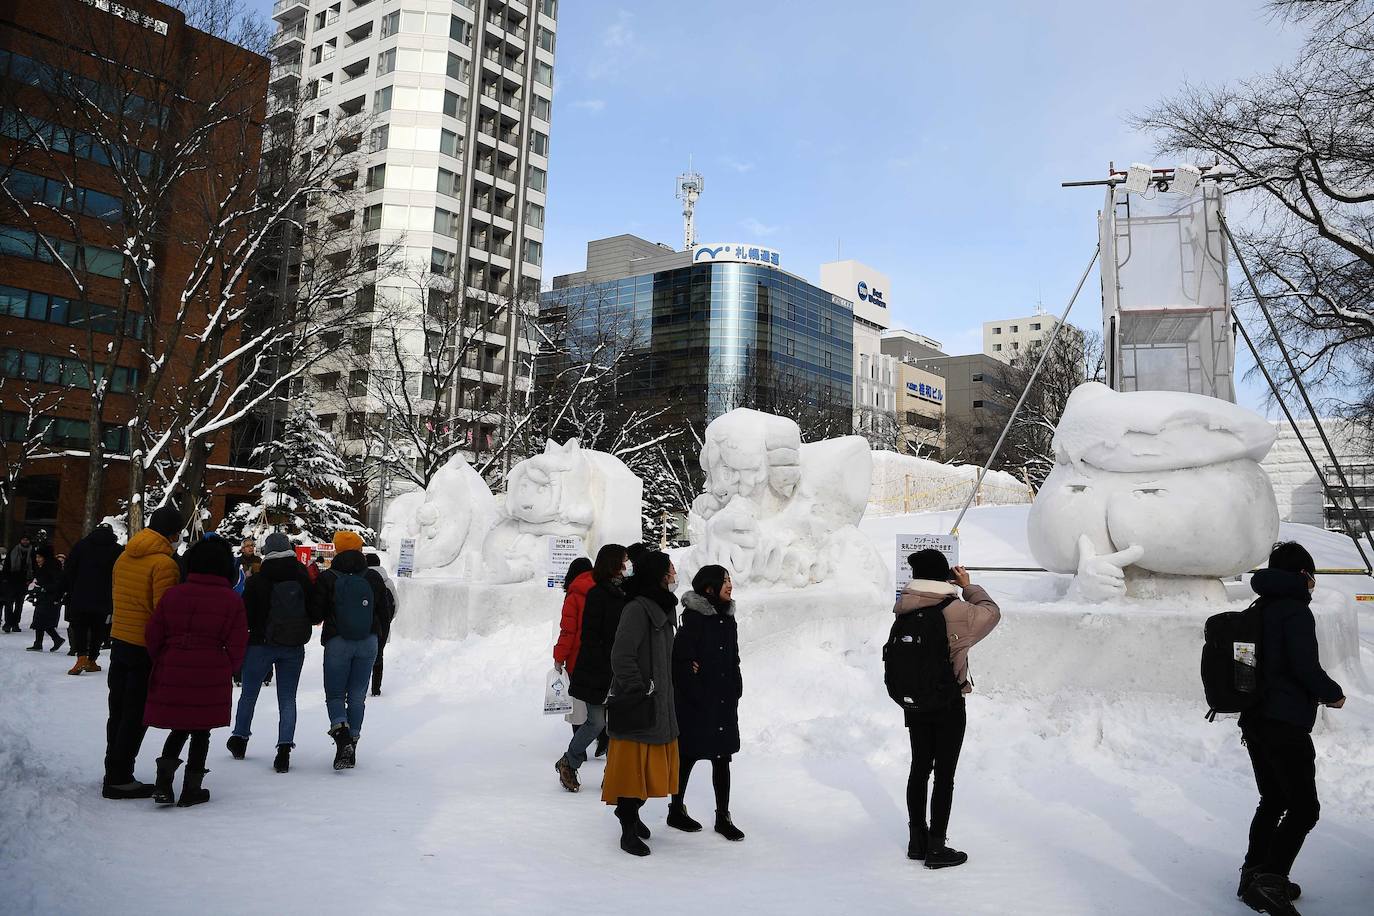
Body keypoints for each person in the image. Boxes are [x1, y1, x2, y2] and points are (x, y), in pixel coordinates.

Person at [1235, 542, 1346, 916]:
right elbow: (1305, 668)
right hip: (1284, 723)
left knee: (1273, 799)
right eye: (1311, 576)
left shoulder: (1258, 608)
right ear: (1302, 575)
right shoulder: (1295, 612)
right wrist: (1334, 694)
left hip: (1254, 720)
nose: (1313, 584)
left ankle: (1254, 874)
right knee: (1304, 808)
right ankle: (1270, 880)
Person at [894, 548, 1001, 869]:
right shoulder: (959, 610)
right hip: (947, 702)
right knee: (944, 775)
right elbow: (991, 612)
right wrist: (968, 585)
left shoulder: (904, 607)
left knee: (918, 768)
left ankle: (917, 841)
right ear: (945, 576)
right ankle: (937, 847)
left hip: (914, 701)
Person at [144, 536, 248, 807]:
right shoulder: (231, 600)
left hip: (173, 666)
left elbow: (153, 634)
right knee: (202, 732)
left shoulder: (174, 594)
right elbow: (238, 643)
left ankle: (163, 784)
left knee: (178, 728)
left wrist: (164, 660)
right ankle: (193, 788)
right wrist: (228, 667)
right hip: (211, 671)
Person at [601, 550, 680, 857]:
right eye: (670, 569)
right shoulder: (637, 609)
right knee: (635, 772)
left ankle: (631, 813)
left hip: (660, 703)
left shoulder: (662, 606)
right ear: (658, 575)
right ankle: (627, 821)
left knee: (649, 772)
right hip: (642, 705)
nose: (674, 574)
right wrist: (640, 688)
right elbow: (621, 656)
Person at [103, 506, 185, 799]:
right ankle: (119, 776)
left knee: (118, 709)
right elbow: (164, 613)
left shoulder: (125, 555)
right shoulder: (165, 564)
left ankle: (113, 769)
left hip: (120, 640)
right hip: (143, 647)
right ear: (173, 533)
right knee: (136, 714)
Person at [668, 564, 744, 841]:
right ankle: (675, 808)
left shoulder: (728, 619)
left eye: (729, 579)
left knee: (722, 758)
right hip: (697, 703)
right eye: (724, 580)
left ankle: (723, 816)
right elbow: (681, 662)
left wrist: (736, 683)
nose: (729, 584)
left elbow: (733, 656)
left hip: (723, 699)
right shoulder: (695, 620)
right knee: (688, 756)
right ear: (709, 588)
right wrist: (696, 687)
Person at [228, 532, 315, 773]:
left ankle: (240, 738)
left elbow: (245, 612)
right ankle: (284, 749)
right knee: (287, 699)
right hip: (293, 645)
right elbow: (315, 609)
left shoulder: (259, 576)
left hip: (259, 644)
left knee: (249, 694)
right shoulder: (301, 575)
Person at [312, 530, 393, 769]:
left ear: (336, 550)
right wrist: (379, 644)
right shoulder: (373, 577)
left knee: (335, 695)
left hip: (337, 641)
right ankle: (352, 745)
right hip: (368, 641)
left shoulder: (329, 578)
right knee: (357, 696)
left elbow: (315, 613)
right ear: (360, 550)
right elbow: (384, 614)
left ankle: (341, 734)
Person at [552, 553, 604, 791]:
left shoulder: (574, 595)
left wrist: (559, 657)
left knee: (580, 710)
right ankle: (601, 745)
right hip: (603, 659)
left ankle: (575, 753)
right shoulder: (604, 590)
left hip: (578, 661)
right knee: (601, 711)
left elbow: (568, 631)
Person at [61, 524, 123, 675]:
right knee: (99, 629)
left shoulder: (81, 546)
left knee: (80, 627)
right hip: (105, 596)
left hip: (80, 594)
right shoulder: (117, 550)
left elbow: (69, 569)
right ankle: (92, 660)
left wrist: (67, 590)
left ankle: (81, 657)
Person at [364, 550, 398, 697]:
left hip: (364, 624)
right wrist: (388, 620)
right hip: (383, 625)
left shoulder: (362, 578)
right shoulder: (388, 582)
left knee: (363, 656)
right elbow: (396, 604)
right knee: (379, 656)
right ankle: (376, 689)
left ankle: (361, 687)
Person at [24, 546, 65, 653]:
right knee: (39, 620)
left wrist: (43, 588)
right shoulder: (44, 567)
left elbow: (57, 583)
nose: (37, 559)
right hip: (44, 596)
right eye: (37, 557)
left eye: (39, 557)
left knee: (42, 620)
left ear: (45, 557)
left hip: (50, 597)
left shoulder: (51, 567)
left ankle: (56, 639)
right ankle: (39, 643)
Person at [2, 533, 34, 632]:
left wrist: (30, 579)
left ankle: (15, 623)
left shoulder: (32, 552)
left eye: (27, 540)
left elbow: (34, 566)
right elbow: (7, 565)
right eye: (23, 539)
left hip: (23, 581)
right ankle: (8, 623)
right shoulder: (13, 550)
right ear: (20, 540)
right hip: (11, 581)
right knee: (9, 604)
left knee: (19, 605)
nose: (25, 541)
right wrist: (6, 578)